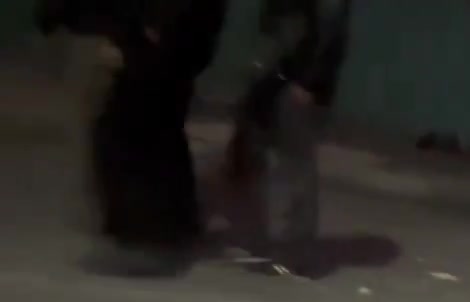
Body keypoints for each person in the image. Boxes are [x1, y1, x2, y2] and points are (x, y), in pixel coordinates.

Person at [84, 0, 228, 276]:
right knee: (159, 135)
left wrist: (146, 30)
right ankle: (169, 230)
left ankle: (142, 236)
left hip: (162, 47)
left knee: (128, 134)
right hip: (176, 44)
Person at [226, 0, 352, 278]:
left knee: (292, 166)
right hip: (289, 78)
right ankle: (285, 247)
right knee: (285, 164)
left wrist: (308, 81)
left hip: (296, 83)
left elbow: (327, 31)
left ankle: (290, 251)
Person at [35, 0, 124, 231]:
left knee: (89, 127)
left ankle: (94, 210)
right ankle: (97, 210)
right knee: (93, 126)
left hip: (94, 35)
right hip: (107, 35)